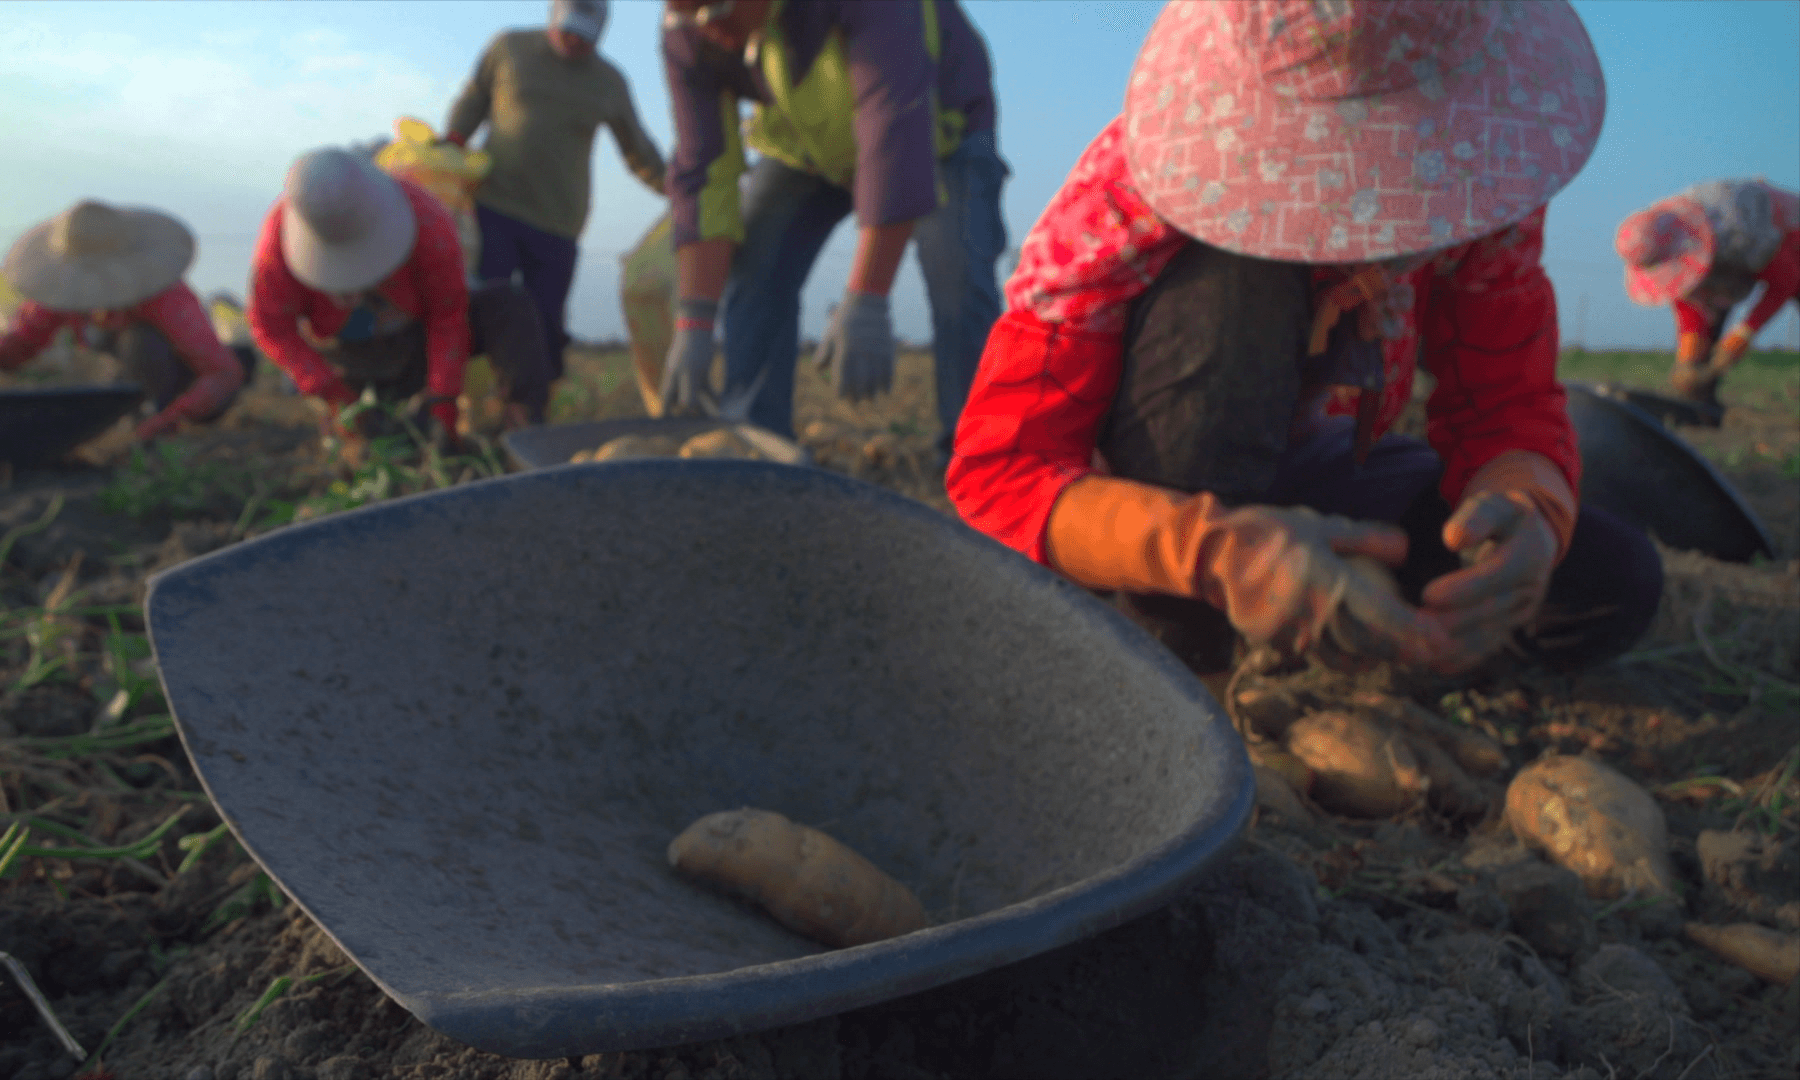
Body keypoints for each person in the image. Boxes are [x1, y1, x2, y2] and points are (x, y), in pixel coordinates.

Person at [947, 0, 1663, 684]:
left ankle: (1386, 636)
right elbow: (1000, 475)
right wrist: (1216, 551)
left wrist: (1524, 505)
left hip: (1330, 472)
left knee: (1610, 582)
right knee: (1233, 281)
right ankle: (1182, 652)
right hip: (1148, 495)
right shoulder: (1123, 207)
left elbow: (1505, 398)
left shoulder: (1487, 192)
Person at [658, 0, 1009, 468]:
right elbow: (705, 172)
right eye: (688, 15)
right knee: (759, 261)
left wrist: (867, 298)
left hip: (941, 132)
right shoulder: (692, 34)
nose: (707, 27)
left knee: (960, 277)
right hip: (807, 147)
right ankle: (756, 447)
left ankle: (981, 459)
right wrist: (695, 320)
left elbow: (896, 126)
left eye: (716, 7)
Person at [445, 0, 668, 422]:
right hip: (493, 206)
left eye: (585, 36)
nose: (574, 41)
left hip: (558, 224)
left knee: (544, 324)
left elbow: (637, 148)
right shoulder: (509, 48)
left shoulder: (608, 82)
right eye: (568, 30)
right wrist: (453, 140)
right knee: (484, 310)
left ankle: (529, 414)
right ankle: (471, 411)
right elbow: (473, 100)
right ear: (552, 16)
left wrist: (676, 188)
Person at [246, 147, 548, 456]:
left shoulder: (426, 217)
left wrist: (442, 396)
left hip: (415, 342)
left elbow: (447, 313)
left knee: (508, 305)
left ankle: (521, 428)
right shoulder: (277, 246)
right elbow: (270, 326)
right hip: (350, 363)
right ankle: (360, 432)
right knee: (372, 449)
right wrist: (328, 389)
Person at [0, 200, 248, 442]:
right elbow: (24, 338)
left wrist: (170, 418)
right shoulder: (66, 291)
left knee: (141, 341)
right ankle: (119, 414)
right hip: (113, 380)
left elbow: (221, 372)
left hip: (175, 384)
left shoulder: (167, 298)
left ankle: (145, 415)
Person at [1615, 179, 1799, 408]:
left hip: (1789, 240)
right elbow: (1687, 294)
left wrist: (1741, 335)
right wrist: (1688, 355)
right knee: (1710, 319)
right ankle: (1699, 403)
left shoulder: (1738, 226)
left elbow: (1787, 280)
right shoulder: (1662, 234)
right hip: (1736, 258)